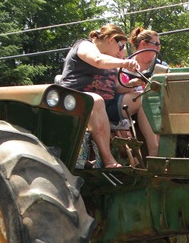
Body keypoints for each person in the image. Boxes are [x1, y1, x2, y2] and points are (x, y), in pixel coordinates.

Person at [59, 23, 141, 168]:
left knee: (143, 98)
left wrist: (134, 84)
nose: (121, 51)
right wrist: (124, 63)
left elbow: (117, 87)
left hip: (107, 104)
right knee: (96, 101)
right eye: (121, 46)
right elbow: (97, 60)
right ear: (111, 40)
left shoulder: (111, 60)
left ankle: (153, 155)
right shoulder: (85, 45)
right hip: (76, 100)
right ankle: (108, 159)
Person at [124, 27, 163, 156]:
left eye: (159, 45)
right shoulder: (125, 66)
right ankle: (154, 150)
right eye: (156, 44)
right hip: (133, 110)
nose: (159, 48)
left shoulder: (161, 67)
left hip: (158, 109)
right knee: (145, 102)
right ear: (143, 44)